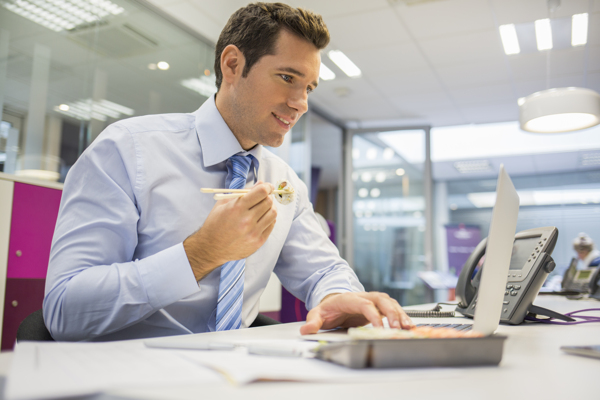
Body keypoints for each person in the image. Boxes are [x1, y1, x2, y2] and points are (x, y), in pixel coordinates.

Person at [43, 2, 414, 341]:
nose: (300, 104)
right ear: (232, 65)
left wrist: (339, 297)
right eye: (287, 77)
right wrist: (198, 254)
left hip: (238, 377)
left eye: (309, 88)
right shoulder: (126, 150)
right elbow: (64, 310)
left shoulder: (284, 182)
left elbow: (322, 270)